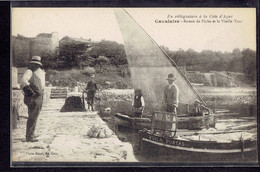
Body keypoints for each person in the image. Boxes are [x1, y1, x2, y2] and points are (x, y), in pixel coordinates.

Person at [20, 56, 45, 142]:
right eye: (36, 65)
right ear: (32, 64)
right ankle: (29, 136)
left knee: (35, 116)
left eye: (38, 65)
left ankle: (31, 134)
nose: (37, 67)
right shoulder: (29, 71)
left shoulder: (36, 72)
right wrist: (31, 93)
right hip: (33, 98)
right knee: (32, 116)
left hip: (38, 97)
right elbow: (23, 82)